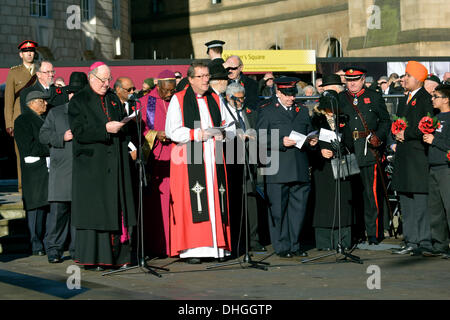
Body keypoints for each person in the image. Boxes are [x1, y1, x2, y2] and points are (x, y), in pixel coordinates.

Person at [68, 61, 136, 270]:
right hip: (92, 166)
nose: (107, 84)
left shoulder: (113, 99)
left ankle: (119, 257)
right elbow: (79, 131)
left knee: (116, 210)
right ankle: (96, 259)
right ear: (91, 78)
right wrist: (105, 128)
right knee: (96, 214)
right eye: (103, 80)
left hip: (115, 164)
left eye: (109, 79)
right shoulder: (79, 100)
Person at [165, 62, 235, 264]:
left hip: (214, 156)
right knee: (194, 200)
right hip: (190, 157)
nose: (206, 79)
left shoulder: (215, 97)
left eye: (207, 75)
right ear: (191, 79)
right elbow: (172, 131)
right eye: (202, 76)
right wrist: (198, 133)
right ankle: (193, 249)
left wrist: (225, 133)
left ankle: (217, 248)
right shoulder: (178, 100)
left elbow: (228, 124)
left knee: (215, 199)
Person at [256, 77, 318, 258]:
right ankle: (282, 246)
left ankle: (295, 244)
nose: (292, 98)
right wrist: (280, 141)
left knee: (298, 210)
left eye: (293, 95)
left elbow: (308, 132)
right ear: (278, 93)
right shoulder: (267, 111)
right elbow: (259, 139)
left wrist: (312, 142)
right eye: (288, 95)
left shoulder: (302, 111)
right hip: (277, 168)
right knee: (278, 210)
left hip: (299, 167)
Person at [338, 67, 391, 245]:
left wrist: (379, 136)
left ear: (362, 79)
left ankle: (373, 233)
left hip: (368, 150)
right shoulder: (340, 98)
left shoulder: (374, 96)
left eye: (356, 79)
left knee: (371, 194)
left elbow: (385, 120)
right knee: (353, 195)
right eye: (348, 79)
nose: (352, 83)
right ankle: (356, 232)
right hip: (349, 151)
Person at [38, 72, 87, 263]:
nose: (74, 96)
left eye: (78, 93)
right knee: (57, 215)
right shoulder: (56, 112)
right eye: (71, 92)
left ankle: (76, 250)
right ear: (67, 94)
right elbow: (43, 136)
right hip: (61, 173)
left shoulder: (88, 114)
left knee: (78, 216)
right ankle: (53, 249)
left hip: (82, 174)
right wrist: (61, 138)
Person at [391, 61, 433, 256]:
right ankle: (410, 239)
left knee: (420, 202)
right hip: (405, 157)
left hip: (417, 158)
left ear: (418, 78)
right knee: (406, 200)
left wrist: (405, 134)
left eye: (407, 75)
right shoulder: (405, 98)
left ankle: (423, 241)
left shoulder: (425, 99)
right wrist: (397, 134)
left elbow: (427, 124)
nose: (403, 79)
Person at [223, 83, 266, 254]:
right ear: (228, 97)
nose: (240, 102)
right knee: (233, 202)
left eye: (242, 98)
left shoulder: (250, 113)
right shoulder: (223, 113)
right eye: (237, 99)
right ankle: (235, 240)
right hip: (231, 161)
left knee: (251, 201)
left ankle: (253, 240)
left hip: (249, 162)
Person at [310, 88, 354, 250]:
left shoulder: (343, 119)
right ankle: (324, 242)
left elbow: (350, 141)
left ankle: (343, 240)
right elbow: (310, 141)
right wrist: (320, 151)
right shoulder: (315, 119)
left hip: (342, 163)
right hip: (323, 167)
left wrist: (341, 147)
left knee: (343, 202)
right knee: (325, 204)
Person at [139, 70, 176, 257]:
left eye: (172, 90)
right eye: (166, 91)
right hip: (156, 159)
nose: (169, 95)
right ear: (158, 86)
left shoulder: (177, 100)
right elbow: (141, 129)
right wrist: (156, 134)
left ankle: (175, 245)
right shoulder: (146, 102)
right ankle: (159, 246)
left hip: (177, 158)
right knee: (157, 207)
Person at [14, 91, 50, 256]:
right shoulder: (23, 120)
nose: (46, 104)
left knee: (46, 208)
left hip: (47, 169)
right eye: (42, 101)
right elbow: (28, 147)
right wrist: (51, 148)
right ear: (32, 102)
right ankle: (36, 244)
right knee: (36, 208)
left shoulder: (44, 118)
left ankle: (46, 242)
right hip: (34, 171)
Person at [4, 40, 38, 193]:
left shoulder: (40, 70)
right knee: (21, 154)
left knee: (38, 152)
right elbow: (9, 100)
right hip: (19, 119)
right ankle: (22, 187)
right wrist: (9, 123)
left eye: (31, 51)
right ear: (21, 54)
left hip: (38, 119)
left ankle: (38, 185)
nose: (29, 53)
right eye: (26, 51)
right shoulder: (14, 72)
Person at [422, 84, 450, 258]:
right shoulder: (435, 117)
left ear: (446, 99)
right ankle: (440, 244)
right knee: (435, 209)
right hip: (433, 166)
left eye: (436, 96)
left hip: (446, 168)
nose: (432, 99)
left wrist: (434, 141)